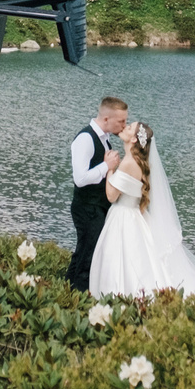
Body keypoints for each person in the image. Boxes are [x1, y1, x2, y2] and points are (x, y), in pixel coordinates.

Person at [87, 120, 195, 299]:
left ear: (133, 140)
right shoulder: (139, 161)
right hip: (133, 216)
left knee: (119, 261)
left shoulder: (128, 163)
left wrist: (109, 168)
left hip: (123, 217)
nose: (125, 128)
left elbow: (111, 196)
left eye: (129, 128)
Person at [67, 95, 128, 290]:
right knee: (89, 254)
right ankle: (79, 295)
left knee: (83, 252)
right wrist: (106, 165)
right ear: (106, 119)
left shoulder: (105, 138)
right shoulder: (85, 138)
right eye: (121, 121)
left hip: (96, 207)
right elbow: (80, 178)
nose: (124, 125)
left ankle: (66, 288)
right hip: (86, 207)